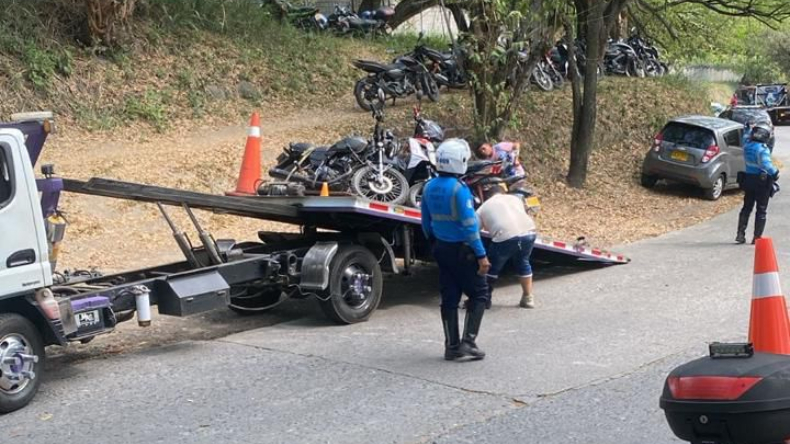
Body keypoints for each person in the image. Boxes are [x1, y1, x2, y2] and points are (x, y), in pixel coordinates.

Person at [421, 138, 491, 361]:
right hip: (464, 250)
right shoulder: (459, 190)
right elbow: (471, 227)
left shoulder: (428, 186)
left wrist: (435, 243)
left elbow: (425, 222)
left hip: (442, 249)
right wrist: (481, 255)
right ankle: (468, 342)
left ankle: (451, 346)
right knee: (480, 293)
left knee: (449, 296)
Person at [476, 185, 538, 309]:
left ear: (488, 195)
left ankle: (484, 299)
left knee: (492, 268)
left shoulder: (482, 208)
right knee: (523, 262)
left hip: (505, 236)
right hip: (529, 232)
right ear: (503, 192)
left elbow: (476, 230)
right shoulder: (515, 199)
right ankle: (528, 298)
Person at [736, 122, 779, 244]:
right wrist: (775, 172)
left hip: (748, 179)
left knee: (746, 207)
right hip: (762, 181)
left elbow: (745, 136)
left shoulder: (747, 145)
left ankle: (740, 233)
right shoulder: (762, 150)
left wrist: (748, 128)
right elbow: (765, 164)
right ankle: (757, 237)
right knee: (761, 209)